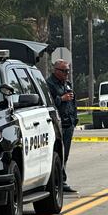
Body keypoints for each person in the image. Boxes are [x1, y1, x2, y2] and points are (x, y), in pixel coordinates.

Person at [46, 59, 77, 193]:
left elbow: (73, 102)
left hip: (68, 123)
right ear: (56, 70)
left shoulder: (67, 84)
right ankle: (59, 181)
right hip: (57, 124)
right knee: (58, 154)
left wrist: (75, 117)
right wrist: (61, 99)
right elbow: (49, 104)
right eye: (64, 71)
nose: (67, 73)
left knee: (66, 154)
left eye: (68, 71)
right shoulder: (49, 84)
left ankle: (61, 180)